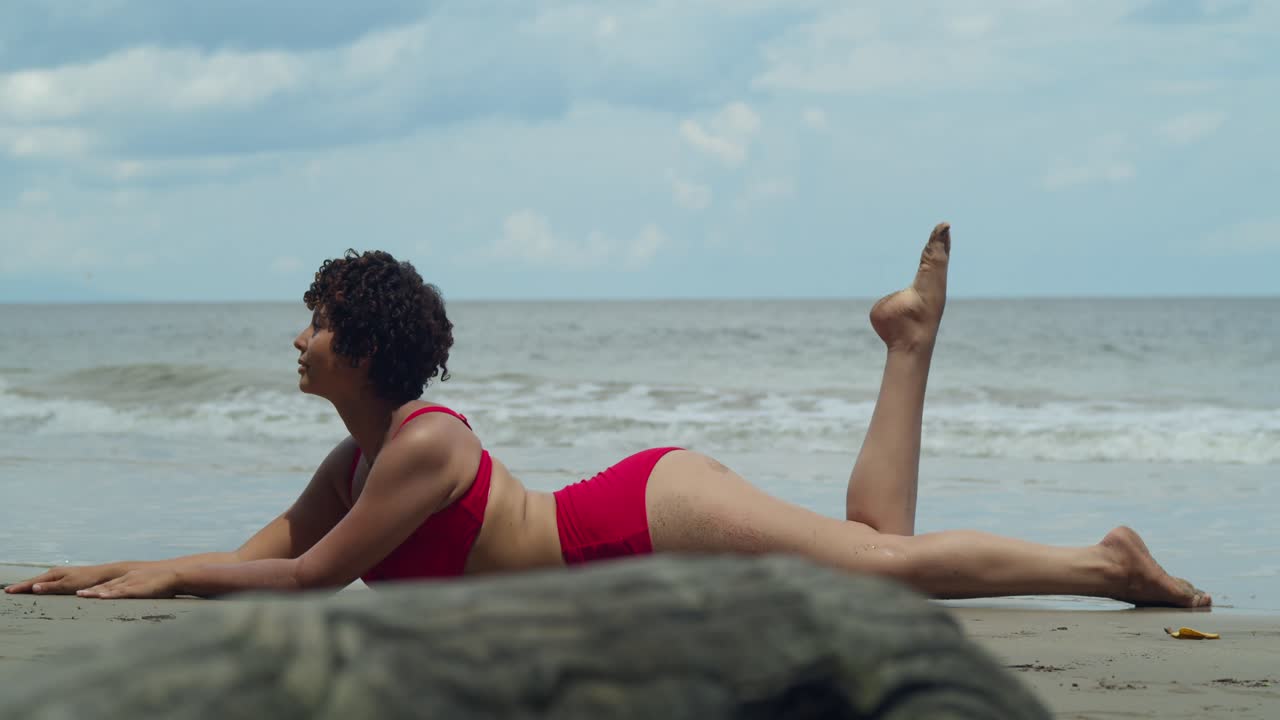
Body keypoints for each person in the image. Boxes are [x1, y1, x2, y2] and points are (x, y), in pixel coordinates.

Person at [5, 224, 1209, 607]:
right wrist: (112, 567)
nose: (298, 337)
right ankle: (906, 345)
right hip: (625, 530)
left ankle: (1096, 563)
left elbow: (313, 580)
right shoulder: (359, 456)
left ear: (363, 343)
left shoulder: (423, 446)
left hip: (640, 520)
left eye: (315, 320)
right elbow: (267, 547)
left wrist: (165, 588)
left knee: (882, 572)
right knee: (872, 561)